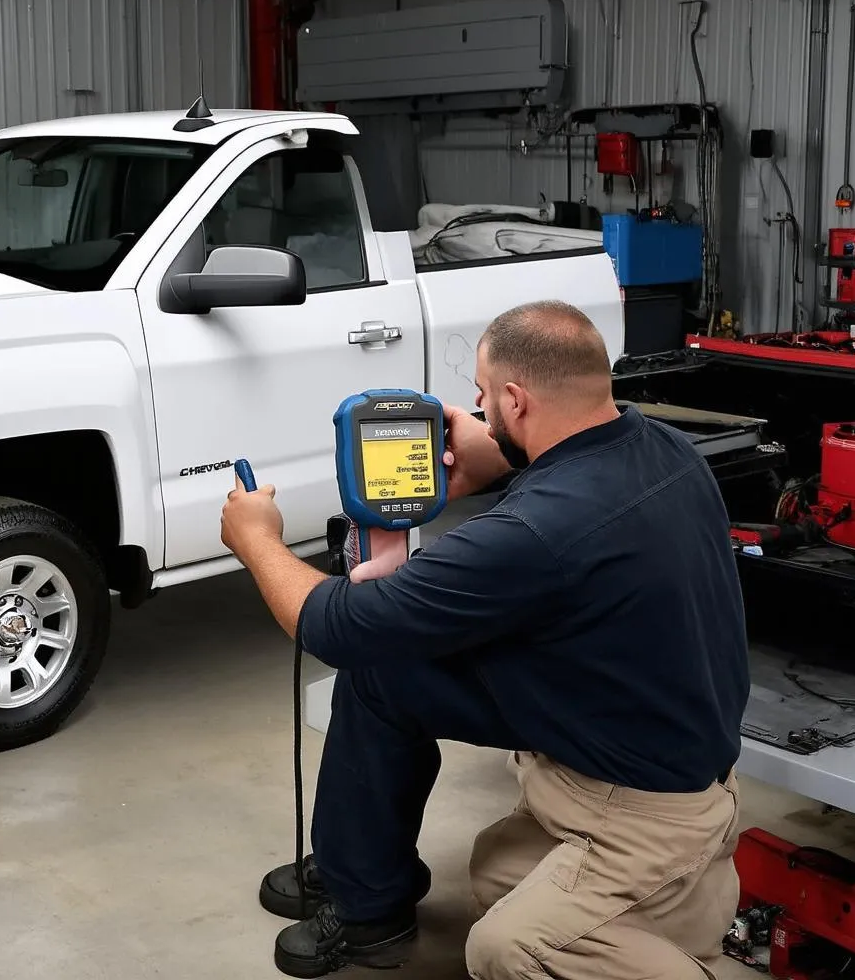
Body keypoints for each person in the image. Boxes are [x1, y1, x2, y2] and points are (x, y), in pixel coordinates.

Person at [220, 300, 750, 980]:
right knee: (387, 677)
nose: (472, 405)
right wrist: (502, 458)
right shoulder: (663, 448)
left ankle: (669, 923)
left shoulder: (535, 532)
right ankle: (367, 903)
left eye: (481, 393)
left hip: (644, 802)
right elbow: (574, 497)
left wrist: (258, 539)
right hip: (652, 726)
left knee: (504, 944)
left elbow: (335, 626)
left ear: (516, 400)